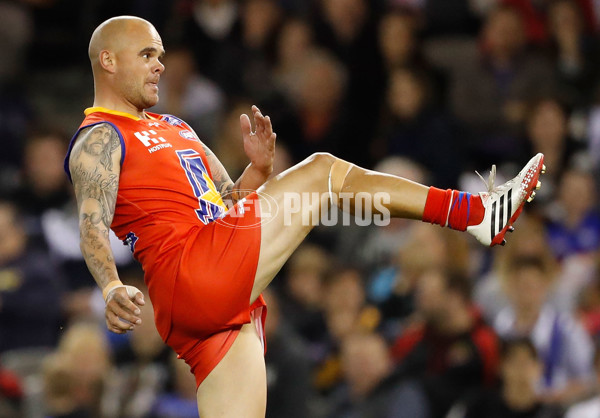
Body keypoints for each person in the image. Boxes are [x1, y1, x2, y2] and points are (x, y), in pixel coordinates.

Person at [65, 15, 544, 417]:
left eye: (161, 54)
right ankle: (476, 212)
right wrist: (109, 285)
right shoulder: (100, 136)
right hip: (191, 271)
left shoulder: (175, 125)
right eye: (147, 54)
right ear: (108, 60)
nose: (160, 65)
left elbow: (228, 203)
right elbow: (90, 221)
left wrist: (257, 171)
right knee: (321, 173)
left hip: (205, 297)